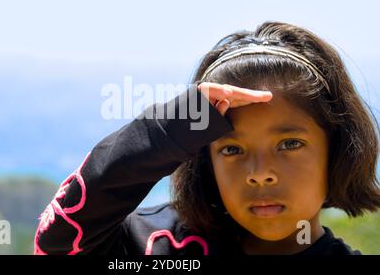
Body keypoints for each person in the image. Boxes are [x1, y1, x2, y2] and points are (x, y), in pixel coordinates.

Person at [34, 21, 379, 255]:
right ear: (206, 161)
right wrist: (177, 125)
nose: (259, 172)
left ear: (336, 150)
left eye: (289, 144)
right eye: (231, 149)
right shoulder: (157, 246)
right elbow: (62, 241)